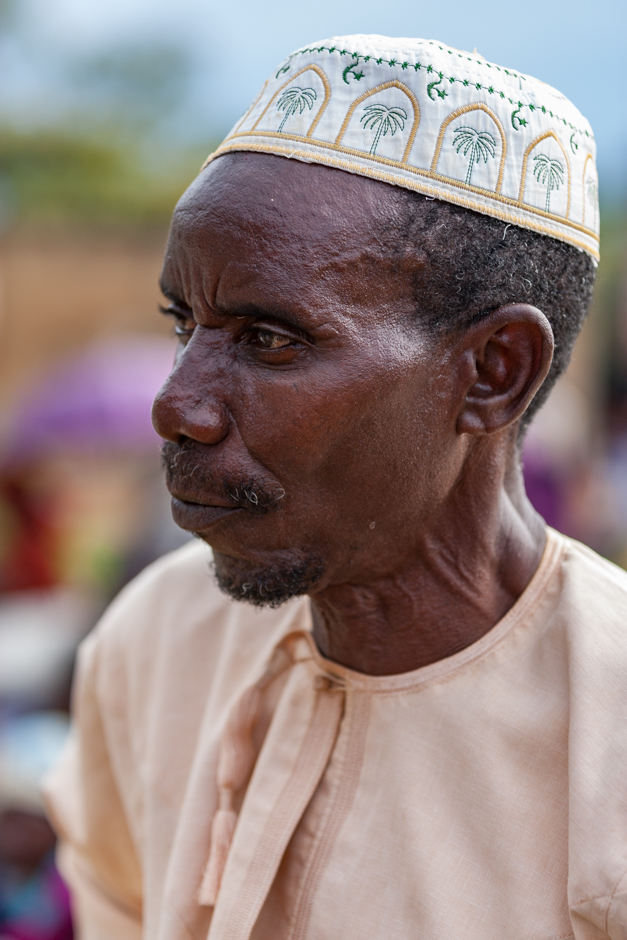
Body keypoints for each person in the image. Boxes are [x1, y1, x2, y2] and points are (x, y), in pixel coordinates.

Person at [45, 35, 624, 940]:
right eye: (184, 323)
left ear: (493, 372)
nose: (176, 405)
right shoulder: (155, 641)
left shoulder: (608, 730)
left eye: (269, 340)